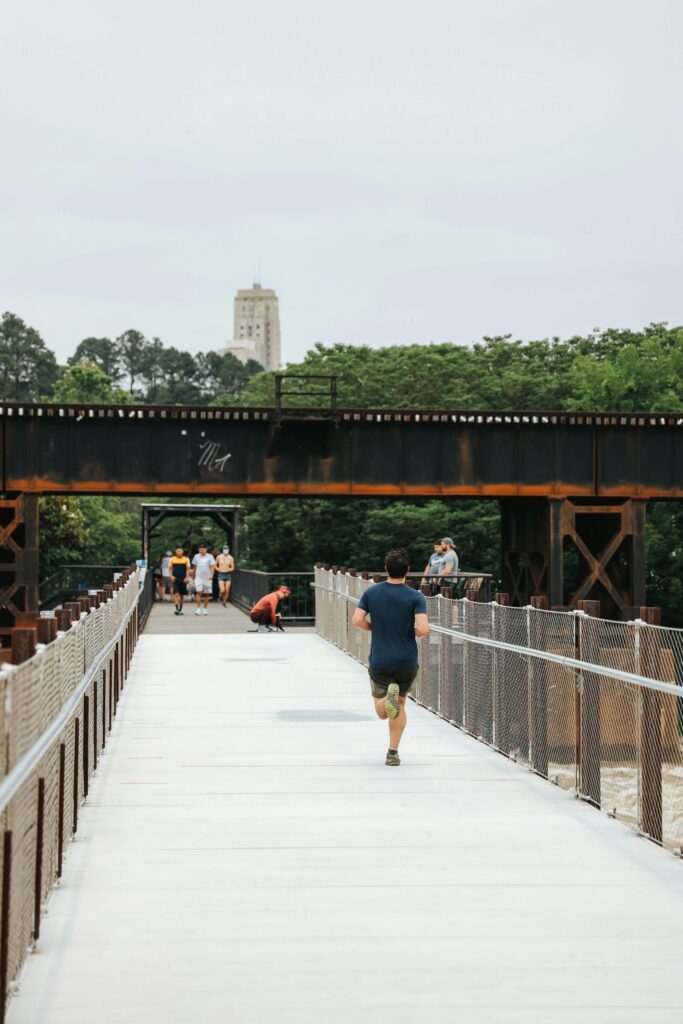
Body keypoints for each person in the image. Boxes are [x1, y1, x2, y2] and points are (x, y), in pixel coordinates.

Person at [352, 548, 429, 766]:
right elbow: (423, 629)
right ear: (408, 571)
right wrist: (409, 631)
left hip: (381, 660)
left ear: (386, 569)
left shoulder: (371, 593)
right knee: (401, 705)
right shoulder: (416, 596)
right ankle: (392, 753)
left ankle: (388, 698)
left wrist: (374, 628)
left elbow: (357, 620)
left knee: (382, 711)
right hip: (406, 660)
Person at [192, 542, 216, 615]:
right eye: (200, 550)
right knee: (198, 592)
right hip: (199, 577)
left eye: (203, 549)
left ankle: (205, 609)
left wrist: (212, 574)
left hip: (207, 577)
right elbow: (194, 567)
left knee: (206, 593)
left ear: (206, 549)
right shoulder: (196, 556)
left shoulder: (210, 556)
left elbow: (212, 566)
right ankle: (198, 608)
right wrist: (193, 577)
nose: (202, 551)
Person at [169, 547, 191, 616]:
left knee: (181, 596)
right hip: (175, 578)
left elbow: (188, 569)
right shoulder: (172, 559)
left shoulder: (186, 559)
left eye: (180, 551)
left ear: (182, 552)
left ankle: (180, 609)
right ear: (176, 552)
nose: (179, 552)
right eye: (178, 551)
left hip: (183, 578)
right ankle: (176, 609)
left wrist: (187, 577)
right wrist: (171, 576)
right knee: (176, 594)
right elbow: (170, 569)